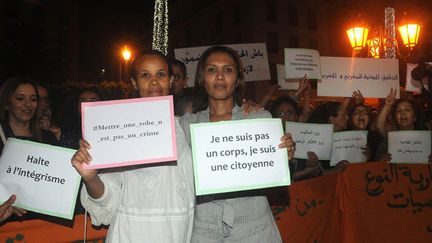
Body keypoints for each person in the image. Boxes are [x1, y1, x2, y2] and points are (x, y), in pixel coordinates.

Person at [71, 50, 195, 243]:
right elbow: (106, 201)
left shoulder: (186, 127)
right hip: (131, 236)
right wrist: (90, 177)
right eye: (145, 75)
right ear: (135, 82)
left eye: (160, 74)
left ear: (171, 80)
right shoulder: (118, 131)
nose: (154, 81)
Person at [179, 46, 295, 243]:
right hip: (202, 227)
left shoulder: (259, 119)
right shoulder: (186, 125)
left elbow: (276, 184)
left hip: (254, 226)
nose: (220, 76)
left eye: (228, 69)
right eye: (212, 70)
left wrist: (284, 156)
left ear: (238, 80)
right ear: (201, 79)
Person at [0, 77, 57, 154]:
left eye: (33, 99)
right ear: (6, 103)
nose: (28, 104)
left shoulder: (48, 138)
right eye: (20, 98)